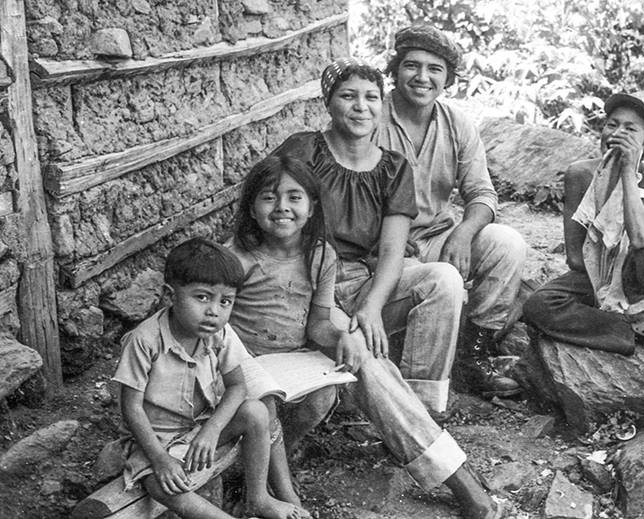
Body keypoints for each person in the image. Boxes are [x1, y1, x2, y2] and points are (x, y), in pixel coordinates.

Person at [225, 152, 504, 519]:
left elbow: (318, 324)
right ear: (250, 207)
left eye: (294, 198)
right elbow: (218, 330)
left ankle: (450, 469)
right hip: (244, 367)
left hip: (299, 354)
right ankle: (259, 483)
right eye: (268, 197)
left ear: (311, 208)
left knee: (359, 361)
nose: (282, 208)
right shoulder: (234, 258)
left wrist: (341, 338)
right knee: (288, 398)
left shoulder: (319, 254)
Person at [270, 58, 464, 414]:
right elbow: (273, 217)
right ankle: (399, 421)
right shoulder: (303, 151)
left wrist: (372, 306)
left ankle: (425, 405)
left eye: (371, 97)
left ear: (381, 104)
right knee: (357, 349)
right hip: (310, 285)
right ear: (328, 103)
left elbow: (392, 250)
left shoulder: (393, 167)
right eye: (348, 96)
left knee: (443, 279)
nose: (361, 107)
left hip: (361, 280)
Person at [522, 92, 644, 428]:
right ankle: (628, 329)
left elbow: (640, 238)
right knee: (538, 305)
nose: (617, 134)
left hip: (636, 275)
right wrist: (605, 258)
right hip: (596, 274)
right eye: (612, 125)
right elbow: (577, 259)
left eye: (631, 129)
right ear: (601, 130)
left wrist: (626, 173)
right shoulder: (580, 174)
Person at [374, 25, 527, 397]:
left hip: (439, 235)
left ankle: (472, 355)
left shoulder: (456, 122)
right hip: (383, 246)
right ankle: (413, 388)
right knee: (444, 281)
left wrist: (463, 232)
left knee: (507, 244)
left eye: (435, 69)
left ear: (447, 78)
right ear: (395, 70)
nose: (422, 77)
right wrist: (381, 240)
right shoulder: (373, 118)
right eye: (412, 66)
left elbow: (482, 194)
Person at [112, 238, 309, 519]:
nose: (214, 311)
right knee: (160, 484)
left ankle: (259, 499)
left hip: (200, 428)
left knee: (256, 411)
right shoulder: (144, 341)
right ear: (170, 296)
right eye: (202, 297)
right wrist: (160, 459)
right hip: (157, 441)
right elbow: (131, 407)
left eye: (225, 301)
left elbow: (238, 386)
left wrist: (212, 429)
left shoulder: (220, 333)